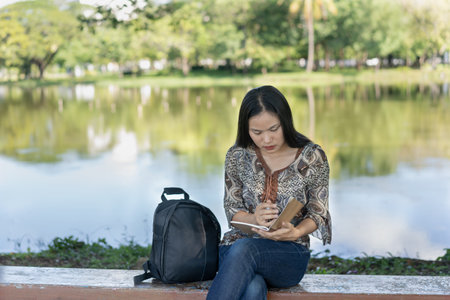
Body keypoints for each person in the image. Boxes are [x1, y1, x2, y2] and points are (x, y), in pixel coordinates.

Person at [206, 85, 332, 300]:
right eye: (257, 132)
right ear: (246, 129)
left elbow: (318, 214)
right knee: (253, 287)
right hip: (236, 248)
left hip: (288, 254)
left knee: (246, 250)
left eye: (274, 129)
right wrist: (254, 219)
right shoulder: (237, 156)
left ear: (286, 121)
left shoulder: (312, 156)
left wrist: (296, 232)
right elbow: (232, 211)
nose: (266, 139)